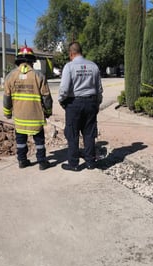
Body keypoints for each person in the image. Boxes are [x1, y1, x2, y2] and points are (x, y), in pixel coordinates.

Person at [3, 46, 53, 170]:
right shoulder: (39, 76)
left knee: (20, 140)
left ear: (18, 61)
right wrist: (48, 112)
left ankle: (22, 161)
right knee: (39, 141)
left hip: (20, 117)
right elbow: (46, 97)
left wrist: (8, 113)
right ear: (32, 61)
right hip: (36, 116)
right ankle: (42, 162)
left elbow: (7, 98)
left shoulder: (10, 76)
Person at [58, 42, 103, 171]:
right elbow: (99, 88)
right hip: (91, 102)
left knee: (72, 134)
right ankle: (90, 162)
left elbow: (64, 89)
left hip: (74, 104)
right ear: (81, 52)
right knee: (89, 133)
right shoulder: (93, 66)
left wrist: (61, 100)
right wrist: (97, 103)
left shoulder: (69, 66)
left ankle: (74, 164)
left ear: (71, 54)